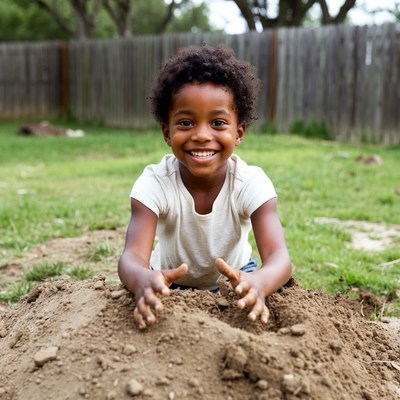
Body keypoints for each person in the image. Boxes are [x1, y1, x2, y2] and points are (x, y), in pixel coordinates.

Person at [118, 44, 292, 329]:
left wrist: (259, 282)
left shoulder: (251, 183)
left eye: (218, 123)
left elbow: (279, 257)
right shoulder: (154, 183)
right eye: (186, 122)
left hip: (235, 279)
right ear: (167, 133)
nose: (201, 135)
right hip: (167, 280)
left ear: (238, 133)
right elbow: (133, 256)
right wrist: (142, 280)